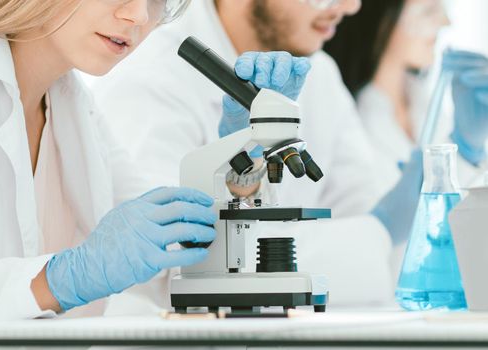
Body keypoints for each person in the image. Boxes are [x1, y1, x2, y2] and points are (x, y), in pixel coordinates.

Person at [0, 0, 308, 321]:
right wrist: (53, 283)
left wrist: (238, 156)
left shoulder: (75, 106)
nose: (140, 15)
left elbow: (172, 254)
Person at [91, 0, 424, 308]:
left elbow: (365, 227)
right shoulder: (147, 77)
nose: (350, 7)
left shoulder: (318, 71)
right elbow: (175, 267)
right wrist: (379, 230)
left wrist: (388, 223)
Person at [324, 0, 488, 277]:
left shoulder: (429, 109)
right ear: (380, 20)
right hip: (376, 303)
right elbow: (359, 250)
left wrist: (468, 151)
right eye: (428, 10)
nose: (446, 23)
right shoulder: (342, 115)